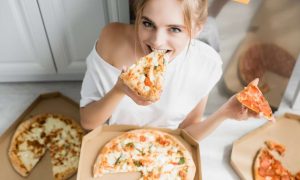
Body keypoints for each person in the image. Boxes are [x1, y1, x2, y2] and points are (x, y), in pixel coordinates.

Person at [79, 0, 258, 141]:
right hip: (112, 144)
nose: (157, 42)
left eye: (174, 29)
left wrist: (225, 113)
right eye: (148, 23)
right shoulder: (113, 38)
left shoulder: (206, 64)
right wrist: (119, 89)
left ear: (197, 29)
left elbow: (186, 133)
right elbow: (88, 122)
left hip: (162, 151)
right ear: (138, 15)